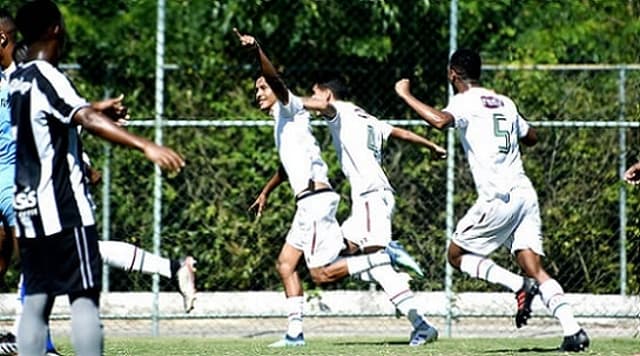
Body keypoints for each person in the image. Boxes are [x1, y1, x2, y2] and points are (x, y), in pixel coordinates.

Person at [235, 29, 429, 348]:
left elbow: (277, 80)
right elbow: (290, 165)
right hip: (310, 201)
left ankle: (381, 258)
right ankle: (295, 335)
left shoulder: (288, 107)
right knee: (286, 264)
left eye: (261, 87)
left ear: (275, 90)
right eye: (255, 88)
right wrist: (267, 190)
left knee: (322, 274)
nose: (257, 93)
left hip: (314, 202)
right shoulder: (283, 123)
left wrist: (257, 50)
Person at [10, 1, 184, 355]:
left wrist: (94, 107)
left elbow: (56, 116)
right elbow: (84, 119)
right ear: (55, 28)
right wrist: (145, 145)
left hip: (28, 209)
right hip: (64, 208)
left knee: (37, 300)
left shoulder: (18, 80)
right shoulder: (49, 75)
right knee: (84, 298)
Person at [394, 48, 589, 352]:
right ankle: (573, 331)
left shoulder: (463, 102)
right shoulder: (505, 102)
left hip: (498, 197)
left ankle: (517, 286)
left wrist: (406, 95)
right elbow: (532, 137)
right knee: (533, 265)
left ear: (452, 74)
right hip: (525, 193)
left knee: (456, 256)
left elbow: (440, 121)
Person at [308, 77, 446, 345]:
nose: (312, 99)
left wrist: (286, 100)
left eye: (315, 94)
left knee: (377, 261)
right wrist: (431, 145)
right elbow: (400, 133)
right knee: (339, 256)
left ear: (327, 95)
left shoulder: (340, 112)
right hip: (370, 201)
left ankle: (418, 318)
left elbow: (316, 106)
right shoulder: (364, 115)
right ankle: (418, 318)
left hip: (372, 197)